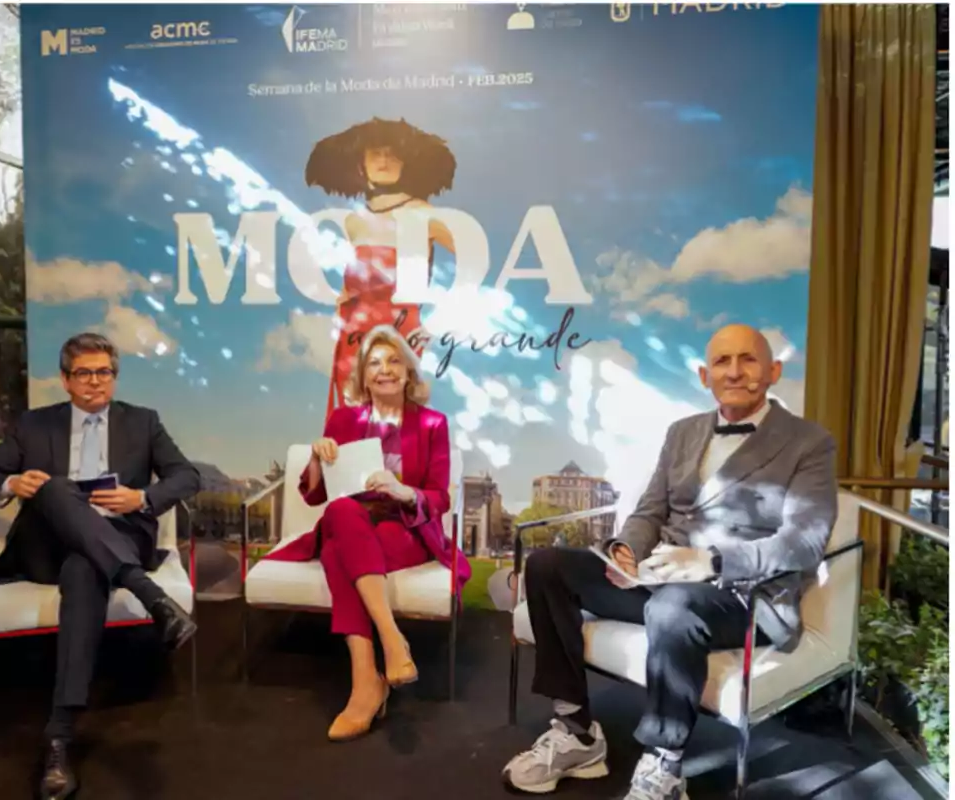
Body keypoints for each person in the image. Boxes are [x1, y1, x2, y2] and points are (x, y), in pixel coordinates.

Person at [502, 324, 838, 799]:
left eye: (748, 359)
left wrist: (711, 561)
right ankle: (576, 733)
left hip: (741, 595)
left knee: (673, 606)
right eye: (722, 362)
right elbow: (650, 511)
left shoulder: (809, 443)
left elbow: (805, 543)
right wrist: (627, 551)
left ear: (773, 370)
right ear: (705, 375)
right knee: (547, 566)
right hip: (661, 578)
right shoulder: (683, 432)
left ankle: (665, 764)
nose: (735, 371)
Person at [0, 332, 201, 800]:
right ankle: (151, 596)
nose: (96, 383)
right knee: (54, 489)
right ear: (66, 380)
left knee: (84, 569)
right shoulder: (35, 425)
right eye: (86, 374)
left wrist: (142, 497)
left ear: (114, 376)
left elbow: (185, 475)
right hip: (44, 545)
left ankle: (59, 736)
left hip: (113, 537)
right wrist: (13, 480)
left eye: (105, 373)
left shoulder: (143, 422)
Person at [264, 324, 471, 741]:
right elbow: (315, 495)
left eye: (394, 360)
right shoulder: (343, 419)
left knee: (339, 552)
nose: (384, 370)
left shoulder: (432, 424)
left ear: (409, 373)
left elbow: (439, 498)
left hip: (405, 529)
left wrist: (403, 491)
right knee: (342, 511)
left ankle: (366, 685)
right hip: (352, 519)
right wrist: (318, 462)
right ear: (362, 376)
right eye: (374, 363)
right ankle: (390, 643)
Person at [305, 117, 457, 420]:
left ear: (407, 162)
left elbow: (473, 257)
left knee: (394, 416)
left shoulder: (425, 213)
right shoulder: (354, 221)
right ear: (361, 163)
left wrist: (445, 313)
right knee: (353, 416)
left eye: (393, 153)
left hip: (400, 328)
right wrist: (343, 298)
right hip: (353, 332)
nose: (384, 160)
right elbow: (354, 282)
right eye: (376, 153)